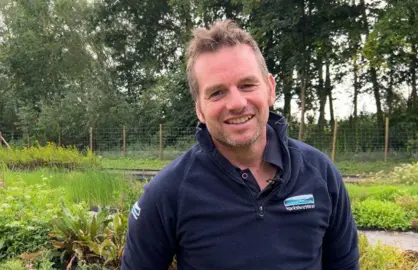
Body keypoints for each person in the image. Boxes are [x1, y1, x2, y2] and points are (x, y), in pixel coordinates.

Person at [121, 19, 359, 270]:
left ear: (270, 88)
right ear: (200, 109)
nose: (236, 103)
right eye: (217, 93)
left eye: (247, 85)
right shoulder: (169, 192)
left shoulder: (320, 173)